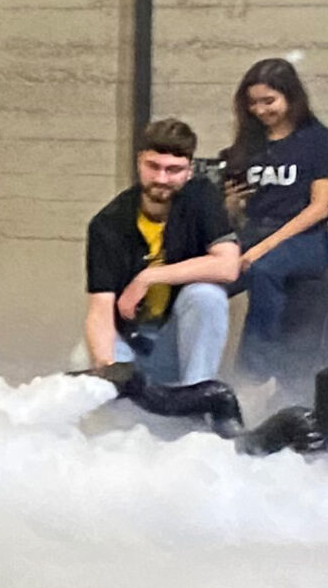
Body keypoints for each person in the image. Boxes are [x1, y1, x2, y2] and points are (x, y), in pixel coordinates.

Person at [84, 118, 242, 387]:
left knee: (207, 296)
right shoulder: (108, 223)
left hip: (176, 338)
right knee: (85, 361)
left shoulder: (202, 198)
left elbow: (228, 266)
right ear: (139, 162)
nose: (161, 178)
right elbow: (100, 309)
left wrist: (149, 277)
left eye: (173, 170)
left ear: (189, 170)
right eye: (153, 166)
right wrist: (106, 366)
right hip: (131, 339)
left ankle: (197, 394)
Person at [219, 57, 328, 383]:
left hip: (304, 239)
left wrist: (263, 247)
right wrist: (231, 205)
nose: (260, 110)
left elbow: (319, 207)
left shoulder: (316, 139)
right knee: (200, 281)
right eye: (253, 103)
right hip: (252, 231)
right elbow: (236, 212)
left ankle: (255, 375)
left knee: (263, 270)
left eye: (268, 101)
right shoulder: (248, 142)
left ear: (290, 97)